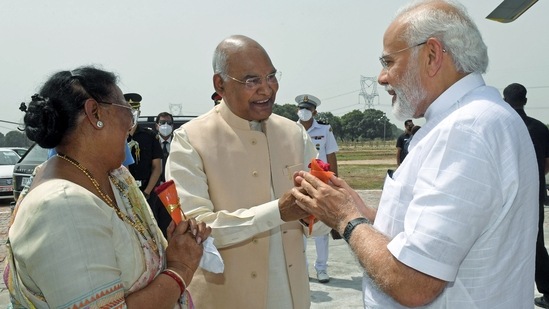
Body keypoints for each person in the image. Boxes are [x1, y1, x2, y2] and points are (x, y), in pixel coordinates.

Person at [291, 1, 538, 308]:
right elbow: (426, 234)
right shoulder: (471, 120)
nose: (382, 78)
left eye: (388, 62)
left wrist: (346, 218)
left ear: (432, 55)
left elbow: (412, 282)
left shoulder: (466, 129)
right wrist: (362, 212)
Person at [5, 66, 210, 308]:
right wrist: (180, 268)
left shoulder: (114, 177)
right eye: (128, 112)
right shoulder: (62, 207)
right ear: (95, 113)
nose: (130, 126)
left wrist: (172, 248)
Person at [165, 34, 329, 309]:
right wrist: (278, 211)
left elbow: (321, 221)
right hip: (227, 298)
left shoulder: (293, 134)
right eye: (252, 80)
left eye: (272, 77)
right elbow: (195, 231)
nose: (267, 89)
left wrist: (315, 213)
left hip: (291, 297)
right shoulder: (190, 140)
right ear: (220, 84)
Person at [503, 83, 549, 308]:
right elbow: (547, 163)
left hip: (506, 193)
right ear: (526, 100)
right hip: (535, 192)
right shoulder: (540, 128)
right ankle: (548, 290)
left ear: (505, 101)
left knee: (502, 240)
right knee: (536, 240)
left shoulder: (502, 126)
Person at [295, 93, 339, 284]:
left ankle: (322, 268)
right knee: (299, 227)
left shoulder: (324, 129)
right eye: (302, 108)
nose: (304, 112)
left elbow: (331, 155)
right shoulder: (290, 129)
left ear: (314, 111)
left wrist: (335, 182)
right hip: (299, 182)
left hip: (320, 182)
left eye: (308, 109)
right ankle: (302, 269)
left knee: (321, 227)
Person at [125, 93, 163, 208]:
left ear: (139, 113)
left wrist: (146, 192)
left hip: (147, 190)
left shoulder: (150, 136)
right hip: (125, 192)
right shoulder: (117, 136)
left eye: (134, 111)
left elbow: (157, 167)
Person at [154, 111, 176, 237]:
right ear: (157, 125)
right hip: (155, 189)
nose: (165, 126)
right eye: (162, 123)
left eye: (168, 123)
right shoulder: (152, 141)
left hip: (173, 190)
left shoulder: (178, 143)